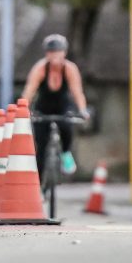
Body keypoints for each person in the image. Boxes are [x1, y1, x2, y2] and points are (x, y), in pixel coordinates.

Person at [21, 34, 91, 175]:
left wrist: (83, 110)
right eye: (51, 52)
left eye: (58, 51)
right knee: (40, 144)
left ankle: (65, 153)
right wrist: (23, 109)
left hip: (63, 106)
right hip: (43, 107)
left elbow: (77, 92)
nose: (54, 55)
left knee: (66, 127)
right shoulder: (40, 68)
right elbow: (29, 90)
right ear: (46, 53)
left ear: (64, 53)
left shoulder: (70, 69)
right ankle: (39, 186)